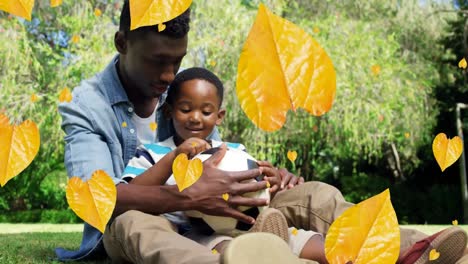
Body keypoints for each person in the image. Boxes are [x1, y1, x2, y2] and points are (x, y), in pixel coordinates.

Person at [56, 1, 468, 263]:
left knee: (316, 194)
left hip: (230, 217)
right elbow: (95, 200)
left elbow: (225, 153)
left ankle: (410, 249)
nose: (168, 75)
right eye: (155, 62)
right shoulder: (88, 107)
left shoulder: (183, 88)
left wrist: (266, 178)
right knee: (134, 226)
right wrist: (185, 194)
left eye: (176, 61)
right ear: (122, 43)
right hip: (153, 221)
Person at [121, 67, 328, 263]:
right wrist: (174, 158)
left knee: (311, 243)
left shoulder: (235, 152)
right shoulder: (151, 153)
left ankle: (336, 253)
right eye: (185, 109)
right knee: (227, 251)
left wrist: (272, 182)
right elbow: (132, 192)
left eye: (206, 112)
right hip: (200, 234)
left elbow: (256, 190)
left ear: (219, 116)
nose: (195, 118)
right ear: (169, 111)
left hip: (251, 224)